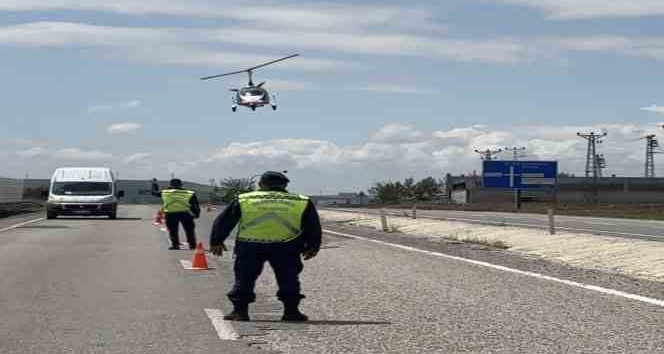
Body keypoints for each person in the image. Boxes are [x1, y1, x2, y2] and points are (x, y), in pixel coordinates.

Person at [209, 171, 322, 322]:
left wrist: (216, 241)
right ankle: (291, 312)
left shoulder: (244, 199)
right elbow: (312, 225)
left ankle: (239, 312)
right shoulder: (301, 200)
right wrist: (313, 246)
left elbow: (224, 221)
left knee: (244, 278)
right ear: (285, 185)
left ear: (261, 184)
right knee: (289, 279)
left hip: (250, 245)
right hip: (287, 245)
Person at [152, 178, 201, 250]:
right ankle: (192, 245)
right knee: (189, 230)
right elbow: (195, 205)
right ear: (181, 184)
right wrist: (196, 214)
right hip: (185, 213)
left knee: (173, 230)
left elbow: (154, 192)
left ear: (170, 185)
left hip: (170, 213)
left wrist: (154, 184)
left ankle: (175, 245)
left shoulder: (165, 192)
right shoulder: (189, 193)